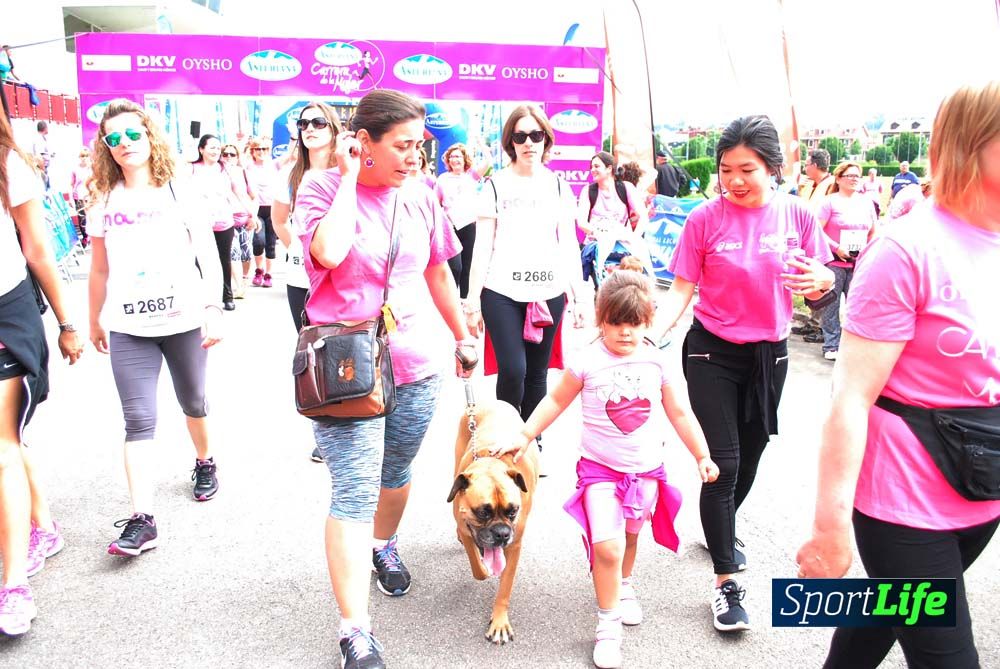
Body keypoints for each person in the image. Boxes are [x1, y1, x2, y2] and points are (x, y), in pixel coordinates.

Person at [798, 80, 1000, 669]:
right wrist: (829, 529)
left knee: (885, 612)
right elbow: (850, 399)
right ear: (970, 143)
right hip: (905, 501)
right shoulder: (906, 249)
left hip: (982, 489)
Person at [292, 89, 477, 669]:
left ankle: (382, 544)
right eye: (400, 146)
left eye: (419, 146)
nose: (414, 157)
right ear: (362, 142)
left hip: (416, 362)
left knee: (395, 471)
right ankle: (355, 631)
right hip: (346, 366)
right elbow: (328, 251)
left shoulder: (421, 196)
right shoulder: (321, 189)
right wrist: (346, 176)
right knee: (352, 489)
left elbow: (438, 270)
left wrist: (463, 335)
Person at [655, 115, 834, 632]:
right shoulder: (704, 220)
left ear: (774, 168)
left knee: (752, 454)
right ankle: (727, 583)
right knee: (724, 463)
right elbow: (682, 290)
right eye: (726, 169)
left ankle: (719, 524)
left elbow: (820, 293)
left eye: (747, 170)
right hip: (710, 351)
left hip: (769, 355)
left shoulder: (797, 216)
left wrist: (825, 282)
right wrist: (651, 336)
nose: (734, 180)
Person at [497, 269, 718, 668]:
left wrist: (701, 454)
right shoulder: (586, 362)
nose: (625, 333)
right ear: (602, 320)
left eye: (633, 324)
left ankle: (625, 585)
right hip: (600, 471)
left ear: (647, 321)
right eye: (616, 323)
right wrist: (525, 434)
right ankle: (607, 625)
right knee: (608, 547)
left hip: (647, 472)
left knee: (630, 539)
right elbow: (554, 402)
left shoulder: (657, 361)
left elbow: (681, 414)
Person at [86, 99, 224, 557]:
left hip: (183, 319)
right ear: (106, 147)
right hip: (128, 326)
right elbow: (100, 270)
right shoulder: (104, 198)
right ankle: (142, 519)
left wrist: (212, 308)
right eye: (114, 138)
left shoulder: (178, 190)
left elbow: (207, 252)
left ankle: (205, 461)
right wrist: (93, 319)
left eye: (133, 134)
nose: (125, 144)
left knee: (194, 401)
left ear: (149, 137)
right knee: (138, 420)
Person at [0, 113, 83, 636]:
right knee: (8, 439)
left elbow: (36, 249)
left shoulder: (10, 164)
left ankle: (12, 585)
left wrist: (68, 321)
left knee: (1, 445)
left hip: (5, 311)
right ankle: (44, 526)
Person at [466, 104, 584, 454]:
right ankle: (505, 433)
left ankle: (530, 443)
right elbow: (482, 246)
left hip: (548, 291)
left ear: (546, 140)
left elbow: (569, 245)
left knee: (537, 373)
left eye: (536, 135)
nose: (529, 143)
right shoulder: (495, 185)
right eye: (521, 136)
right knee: (513, 370)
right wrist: (472, 301)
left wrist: (578, 298)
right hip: (501, 291)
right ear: (511, 142)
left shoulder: (560, 186)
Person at [270, 102, 338, 464]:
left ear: (332, 128)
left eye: (318, 122)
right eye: (303, 123)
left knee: (341, 345)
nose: (309, 128)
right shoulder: (291, 175)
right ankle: (323, 428)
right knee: (310, 351)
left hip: (339, 275)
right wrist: (298, 250)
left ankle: (347, 415)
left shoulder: (344, 171)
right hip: (301, 276)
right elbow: (279, 221)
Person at [814, 161, 878, 361]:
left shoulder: (866, 202)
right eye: (849, 175)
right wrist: (836, 247)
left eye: (857, 176)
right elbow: (817, 229)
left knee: (858, 306)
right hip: (834, 262)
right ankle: (831, 344)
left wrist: (869, 250)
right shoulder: (829, 202)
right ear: (839, 178)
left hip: (859, 263)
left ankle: (854, 346)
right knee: (831, 306)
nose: (854, 179)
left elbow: (874, 230)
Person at [578, 151, 653, 285]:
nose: (592, 170)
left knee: (642, 264)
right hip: (597, 243)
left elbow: (643, 216)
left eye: (596, 166)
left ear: (609, 168)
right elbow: (581, 222)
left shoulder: (626, 188)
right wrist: (598, 234)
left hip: (624, 243)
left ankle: (648, 294)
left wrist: (634, 236)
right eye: (591, 167)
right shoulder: (588, 191)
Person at [191, 134, 243, 311]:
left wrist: (250, 213)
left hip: (223, 222)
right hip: (200, 223)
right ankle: (202, 296)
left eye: (217, 147)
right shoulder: (191, 169)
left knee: (224, 259)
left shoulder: (226, 169)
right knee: (199, 260)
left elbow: (238, 192)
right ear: (201, 149)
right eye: (211, 147)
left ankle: (226, 296)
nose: (215, 151)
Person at [435, 141, 488, 298]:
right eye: (451, 156)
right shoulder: (443, 179)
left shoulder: (471, 176)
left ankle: (464, 301)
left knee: (467, 267)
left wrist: (483, 148)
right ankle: (450, 299)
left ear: (464, 159)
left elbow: (488, 163)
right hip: (450, 228)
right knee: (454, 267)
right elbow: (436, 204)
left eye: (458, 156)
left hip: (469, 226)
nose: (454, 159)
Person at [220, 142, 258, 300]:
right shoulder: (218, 173)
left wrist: (253, 216)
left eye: (232, 154)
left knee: (246, 254)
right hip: (227, 220)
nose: (228, 157)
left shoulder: (243, 172)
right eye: (225, 154)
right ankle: (238, 286)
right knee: (233, 253)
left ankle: (244, 279)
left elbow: (253, 196)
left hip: (244, 218)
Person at [245, 137, 279, 288]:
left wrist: (293, 137)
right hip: (256, 208)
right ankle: (259, 270)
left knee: (271, 243)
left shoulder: (274, 165)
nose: (261, 152)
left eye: (264, 149)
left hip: (273, 207)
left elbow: (291, 155)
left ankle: (268, 274)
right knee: (258, 241)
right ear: (252, 151)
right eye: (258, 149)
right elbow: (234, 158)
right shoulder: (248, 166)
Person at [70, 146, 92, 247]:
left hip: (91, 196)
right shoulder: (75, 169)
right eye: (82, 156)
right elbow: (71, 184)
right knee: (82, 218)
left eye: (86, 156)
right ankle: (85, 237)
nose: (84, 158)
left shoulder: (93, 168)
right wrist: (70, 198)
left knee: (92, 216)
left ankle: (92, 236)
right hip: (79, 196)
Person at [0, 45, 20, 121]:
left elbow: (13, 73)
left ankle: (8, 110)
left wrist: (19, 81)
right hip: (3, 80)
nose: (11, 52)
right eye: (10, 50)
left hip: (4, 79)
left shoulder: (8, 60)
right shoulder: (2, 57)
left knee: (6, 94)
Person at [31, 122, 51, 190]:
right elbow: (39, 155)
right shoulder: (38, 139)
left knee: (46, 187)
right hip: (42, 168)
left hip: (43, 168)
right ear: (45, 128)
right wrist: (43, 169)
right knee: (44, 188)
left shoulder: (41, 138)